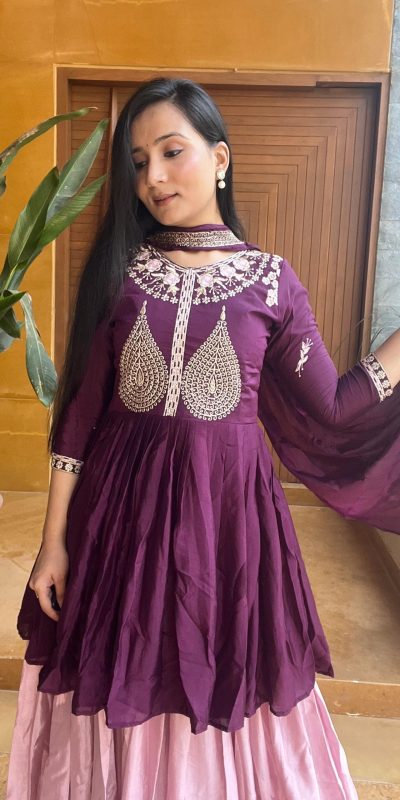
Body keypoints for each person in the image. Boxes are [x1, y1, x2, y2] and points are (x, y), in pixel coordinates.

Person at [6, 77, 400, 800]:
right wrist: (53, 542)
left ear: (220, 159)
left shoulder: (272, 283)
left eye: (171, 152)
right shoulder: (121, 274)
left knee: (213, 666)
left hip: (227, 524)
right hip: (118, 520)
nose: (153, 177)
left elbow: (334, 407)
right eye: (138, 162)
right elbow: (80, 419)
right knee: (126, 662)